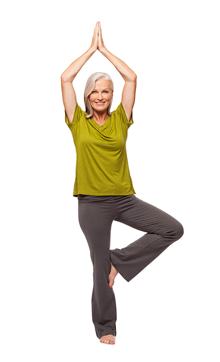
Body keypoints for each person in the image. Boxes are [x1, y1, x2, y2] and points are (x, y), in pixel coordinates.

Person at [61, 21, 184, 345]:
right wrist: (90, 51)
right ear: (87, 95)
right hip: (91, 203)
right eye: (94, 91)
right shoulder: (76, 121)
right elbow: (65, 78)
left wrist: (106, 51)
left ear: (112, 96)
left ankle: (121, 259)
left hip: (125, 199)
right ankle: (106, 326)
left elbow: (132, 77)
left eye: (105, 91)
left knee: (172, 229)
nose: (100, 96)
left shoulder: (120, 119)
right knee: (99, 269)